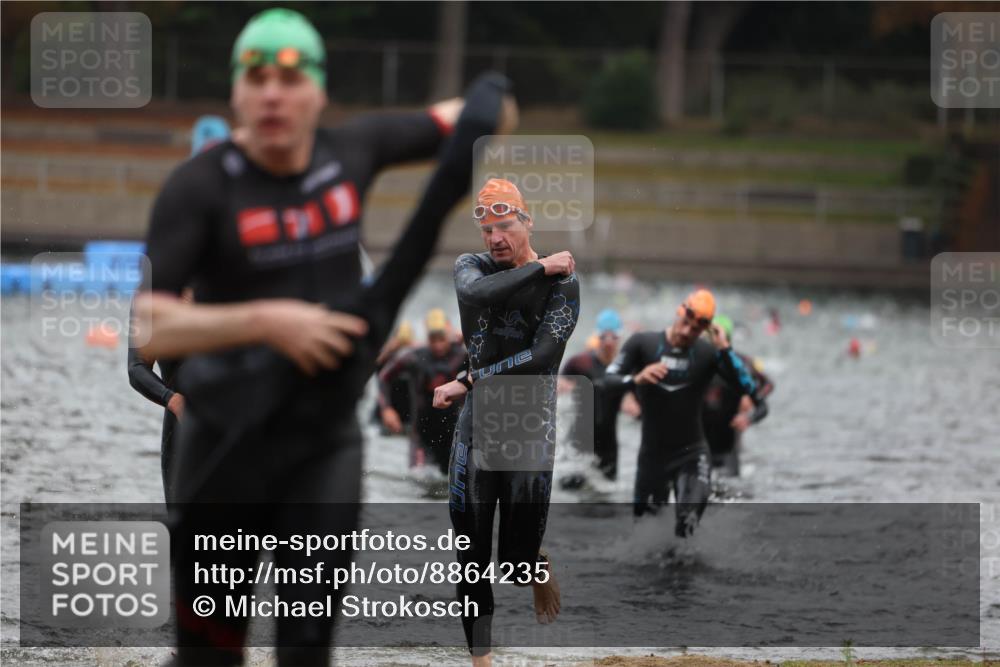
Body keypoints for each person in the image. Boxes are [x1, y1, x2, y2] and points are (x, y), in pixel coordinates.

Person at [133, 7, 516, 664]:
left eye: (290, 77)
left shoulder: (353, 151)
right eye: (256, 77)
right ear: (236, 91)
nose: (273, 93)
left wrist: (494, 97)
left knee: (307, 650)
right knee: (209, 653)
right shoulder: (197, 188)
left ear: (319, 91)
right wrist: (265, 320)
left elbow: (468, 117)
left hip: (322, 448)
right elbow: (150, 323)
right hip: (224, 445)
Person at [432, 178, 579, 666]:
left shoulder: (564, 284)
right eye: (487, 229)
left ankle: (533, 563)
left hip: (530, 430)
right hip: (478, 429)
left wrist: (468, 381)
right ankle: (482, 660)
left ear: (527, 221)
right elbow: (479, 293)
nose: (495, 238)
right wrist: (538, 263)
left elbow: (541, 359)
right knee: (471, 554)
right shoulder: (471, 269)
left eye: (505, 226)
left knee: (514, 564)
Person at [604, 289, 768, 539]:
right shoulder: (642, 343)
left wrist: (725, 349)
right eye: (684, 323)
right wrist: (636, 378)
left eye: (694, 330)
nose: (685, 332)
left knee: (687, 527)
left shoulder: (708, 354)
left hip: (692, 455)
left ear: (704, 330)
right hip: (652, 458)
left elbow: (751, 391)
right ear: (679, 312)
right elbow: (608, 381)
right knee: (646, 540)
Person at [379, 309, 467, 474]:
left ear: (449, 335)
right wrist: (386, 410)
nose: (438, 345)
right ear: (427, 339)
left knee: (453, 477)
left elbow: (486, 371)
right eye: (433, 340)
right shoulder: (415, 357)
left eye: (442, 339)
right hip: (421, 433)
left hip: (453, 431)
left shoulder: (461, 356)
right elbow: (384, 376)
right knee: (418, 477)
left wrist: (468, 339)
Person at [127, 288, 192, 502]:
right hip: (183, 422)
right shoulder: (153, 293)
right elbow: (136, 368)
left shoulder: (237, 282)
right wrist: (172, 400)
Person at [558, 308, 634, 483]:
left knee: (606, 501)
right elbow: (558, 385)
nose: (608, 343)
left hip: (608, 446)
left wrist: (632, 402)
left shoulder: (626, 368)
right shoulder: (579, 363)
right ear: (597, 337)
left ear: (619, 337)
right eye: (603, 337)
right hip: (578, 441)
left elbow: (634, 397)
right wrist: (562, 387)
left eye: (613, 337)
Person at [700, 314, 774, 477]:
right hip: (700, 443)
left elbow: (768, 385)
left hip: (728, 441)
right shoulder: (698, 362)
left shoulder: (740, 362)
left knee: (732, 488)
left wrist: (749, 403)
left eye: (717, 334)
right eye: (709, 335)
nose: (713, 340)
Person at [371, 320, 415, 433]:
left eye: (406, 344)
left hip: (408, 413)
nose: (403, 351)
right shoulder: (386, 356)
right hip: (387, 412)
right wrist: (388, 350)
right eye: (401, 344)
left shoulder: (416, 356)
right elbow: (373, 367)